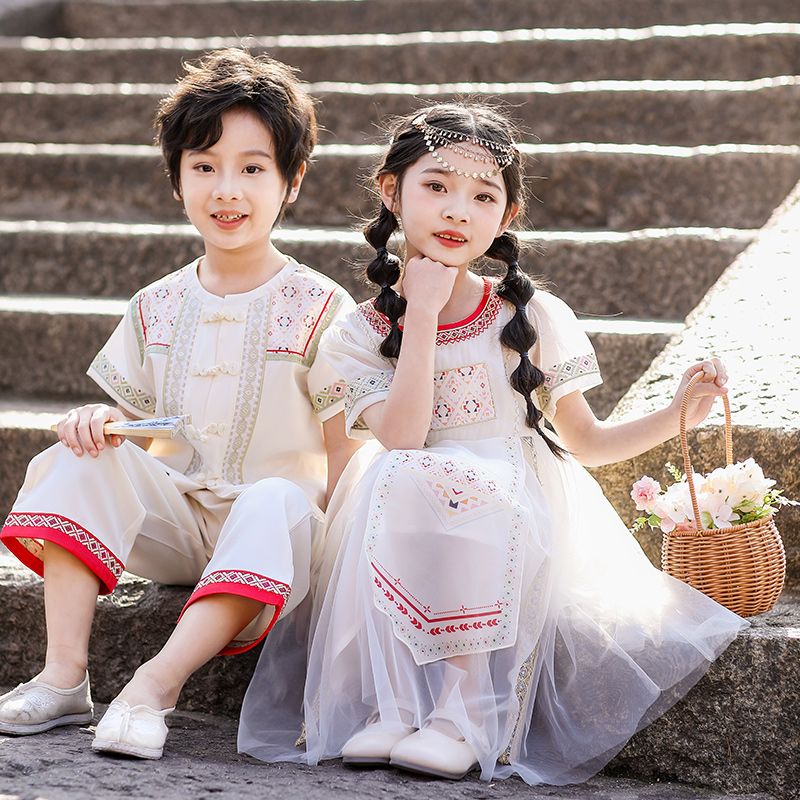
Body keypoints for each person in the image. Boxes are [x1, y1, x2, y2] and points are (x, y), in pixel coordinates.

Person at [238, 103, 748, 783]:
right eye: (437, 186)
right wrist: (419, 311)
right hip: (409, 492)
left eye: (484, 197)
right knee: (396, 476)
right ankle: (392, 704)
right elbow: (403, 436)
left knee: (455, 485)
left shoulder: (529, 316)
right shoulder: (356, 334)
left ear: (507, 218)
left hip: (511, 500)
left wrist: (679, 412)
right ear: (392, 191)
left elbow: (587, 442)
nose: (457, 211)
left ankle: (465, 707)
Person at [0, 48, 358, 760]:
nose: (227, 189)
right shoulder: (154, 305)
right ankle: (65, 674)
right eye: (204, 166)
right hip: (180, 523)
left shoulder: (321, 306)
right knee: (73, 455)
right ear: (176, 181)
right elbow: (143, 436)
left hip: (276, 532)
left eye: (253, 168)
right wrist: (102, 427)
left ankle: (154, 686)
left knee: (276, 497)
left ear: (292, 182)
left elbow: (344, 453)